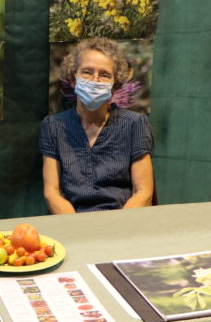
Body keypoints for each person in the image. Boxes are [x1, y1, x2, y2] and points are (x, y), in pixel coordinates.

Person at [39, 38, 155, 213]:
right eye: (87, 72)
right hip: (72, 221)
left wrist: (117, 228)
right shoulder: (53, 126)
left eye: (104, 74)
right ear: (73, 78)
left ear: (114, 86)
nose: (95, 80)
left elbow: (143, 192)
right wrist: (77, 229)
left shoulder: (135, 124)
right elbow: (52, 192)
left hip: (121, 221)